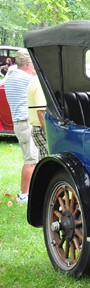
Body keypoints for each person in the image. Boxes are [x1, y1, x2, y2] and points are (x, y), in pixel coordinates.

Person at [4, 49, 38, 204]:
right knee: (31, 161)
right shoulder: (26, 79)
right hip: (25, 122)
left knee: (31, 159)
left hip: (19, 123)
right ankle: (24, 195)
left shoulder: (10, 77)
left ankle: (30, 192)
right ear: (28, 63)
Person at [27, 75, 48, 158]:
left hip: (40, 127)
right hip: (42, 128)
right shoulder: (40, 82)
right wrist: (49, 133)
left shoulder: (36, 79)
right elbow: (41, 112)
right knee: (50, 163)